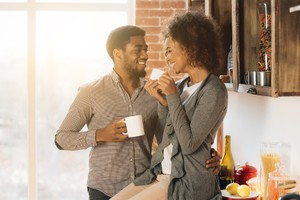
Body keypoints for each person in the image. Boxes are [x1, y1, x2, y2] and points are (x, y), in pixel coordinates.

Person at [54, 25, 221, 200]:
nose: (145, 55)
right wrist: (99, 135)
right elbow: (61, 139)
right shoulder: (91, 92)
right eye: (138, 50)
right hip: (103, 189)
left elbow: (173, 137)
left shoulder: (154, 92)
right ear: (118, 54)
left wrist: (206, 154)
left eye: (146, 49)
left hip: (146, 183)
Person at [111, 10, 228, 200]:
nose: (166, 57)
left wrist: (172, 97)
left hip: (185, 181)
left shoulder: (214, 90)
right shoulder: (182, 85)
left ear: (190, 47)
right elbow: (166, 139)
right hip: (161, 172)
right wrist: (163, 102)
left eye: (169, 50)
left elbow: (189, 145)